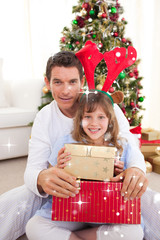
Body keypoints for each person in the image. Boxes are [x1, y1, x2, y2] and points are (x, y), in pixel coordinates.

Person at [0, 50, 148, 240]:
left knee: (144, 204)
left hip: (108, 198)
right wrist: (43, 176)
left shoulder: (106, 105)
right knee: (25, 212)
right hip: (66, 198)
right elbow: (33, 170)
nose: (66, 90)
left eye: (72, 82)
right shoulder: (47, 121)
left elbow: (129, 143)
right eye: (57, 82)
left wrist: (135, 168)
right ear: (47, 82)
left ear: (82, 82)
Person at [26, 90, 145, 240]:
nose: (94, 123)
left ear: (110, 120)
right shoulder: (65, 142)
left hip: (106, 211)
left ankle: (76, 237)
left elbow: (130, 185)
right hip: (70, 208)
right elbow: (49, 176)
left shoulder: (122, 146)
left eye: (101, 117)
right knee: (34, 227)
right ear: (80, 119)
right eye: (88, 117)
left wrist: (120, 174)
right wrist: (57, 168)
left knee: (135, 233)